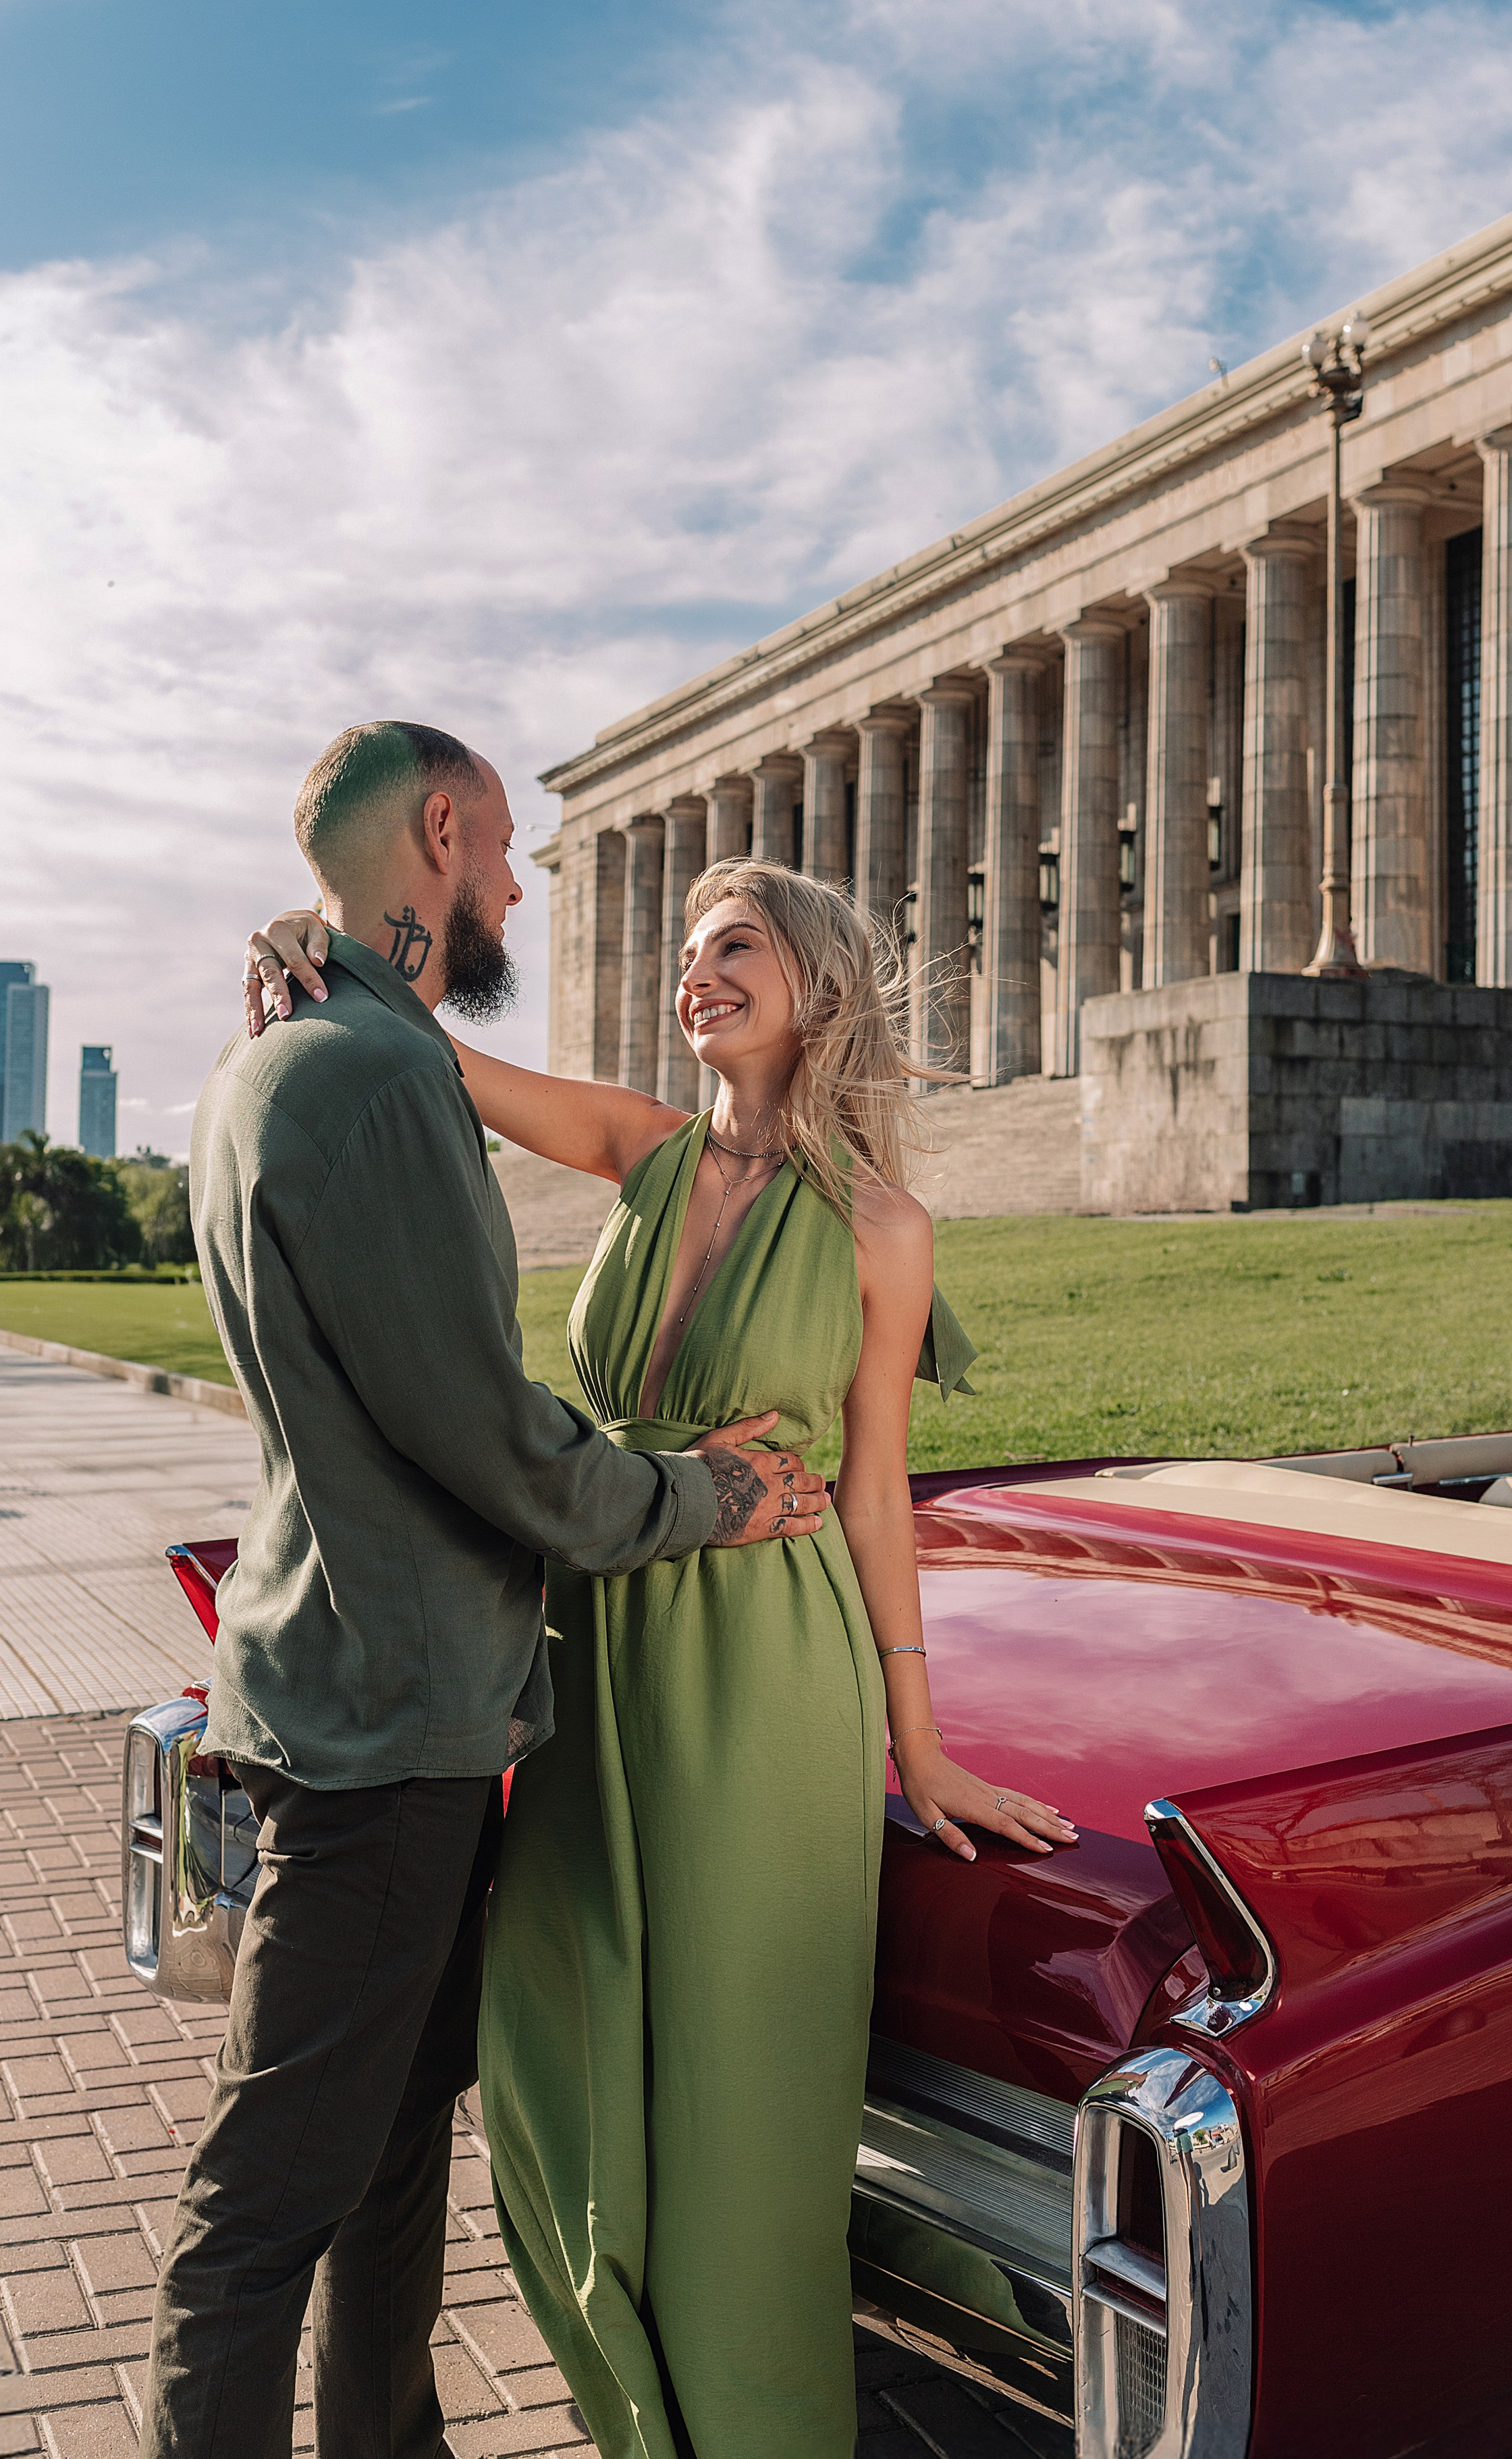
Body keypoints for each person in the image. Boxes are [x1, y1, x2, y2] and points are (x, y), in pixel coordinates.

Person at [246, 852, 1076, 2459]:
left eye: (735, 947)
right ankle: (628, 2397)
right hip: (595, 1631)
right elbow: (448, 1063)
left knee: (741, 2100)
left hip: (770, 1678)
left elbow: (880, 1491)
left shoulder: (881, 1230)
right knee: (553, 2054)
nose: (694, 973)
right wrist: (322, 951)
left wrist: (921, 1739)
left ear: (814, 978)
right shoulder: (638, 1149)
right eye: (688, 951)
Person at [146, 722, 830, 2459]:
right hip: (387, 1726)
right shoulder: (363, 1081)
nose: (521, 883)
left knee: (384, 2151)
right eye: (507, 846)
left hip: (381, 1690)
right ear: (437, 833)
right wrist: (705, 1493)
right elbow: (493, 1441)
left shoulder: (292, 1057)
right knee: (263, 2207)